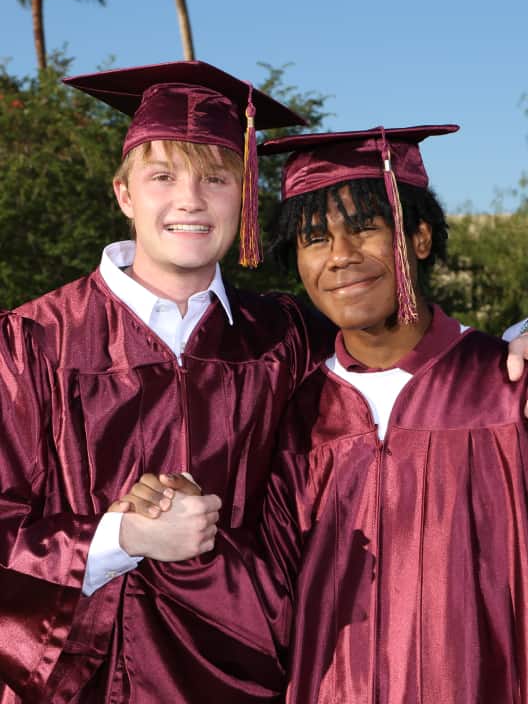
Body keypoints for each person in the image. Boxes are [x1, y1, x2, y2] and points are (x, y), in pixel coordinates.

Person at [127, 125, 528, 703]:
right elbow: (265, 604)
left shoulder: (505, 389)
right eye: (315, 240)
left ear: (416, 237)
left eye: (365, 228)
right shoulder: (300, 416)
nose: (340, 256)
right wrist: (180, 539)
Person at [0, 60, 334, 703]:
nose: (190, 199)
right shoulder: (33, 341)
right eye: (162, 177)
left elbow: (400, 389)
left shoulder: (286, 338)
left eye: (216, 178)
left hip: (242, 675)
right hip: (82, 683)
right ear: (124, 194)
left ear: (246, 195)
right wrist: (120, 537)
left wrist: (508, 345)